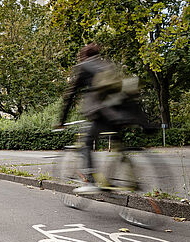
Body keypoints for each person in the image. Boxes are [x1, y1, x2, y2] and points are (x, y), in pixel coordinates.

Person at [57, 43, 146, 194]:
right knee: (118, 146)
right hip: (120, 113)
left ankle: (90, 183)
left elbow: (71, 96)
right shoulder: (107, 66)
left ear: (84, 55)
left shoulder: (84, 66)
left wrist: (62, 120)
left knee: (86, 141)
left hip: (102, 114)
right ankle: (132, 179)